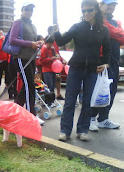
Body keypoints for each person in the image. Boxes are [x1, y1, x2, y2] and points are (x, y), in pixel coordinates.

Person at [54, 0, 110, 141]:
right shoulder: (77, 27)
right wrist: (56, 32)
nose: (86, 13)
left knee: (87, 101)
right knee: (70, 101)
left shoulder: (103, 29)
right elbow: (61, 41)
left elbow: (108, 51)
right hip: (75, 68)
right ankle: (65, 131)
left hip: (92, 70)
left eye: (89, 10)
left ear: (96, 10)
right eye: (83, 11)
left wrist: (106, 64)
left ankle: (82, 130)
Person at [9, 2, 44, 125]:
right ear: (22, 10)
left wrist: (38, 42)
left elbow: (32, 41)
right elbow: (12, 40)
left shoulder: (33, 25)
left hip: (31, 58)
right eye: (27, 9)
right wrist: (30, 44)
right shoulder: (18, 23)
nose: (29, 12)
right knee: (29, 85)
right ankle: (31, 116)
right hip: (21, 58)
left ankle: (15, 110)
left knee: (28, 85)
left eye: (31, 10)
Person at [89, 0, 122, 131]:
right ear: (101, 6)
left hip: (114, 60)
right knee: (98, 89)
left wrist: (118, 30)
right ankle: (91, 118)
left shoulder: (115, 22)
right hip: (100, 59)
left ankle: (103, 119)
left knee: (111, 90)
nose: (111, 7)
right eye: (108, 4)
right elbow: (115, 33)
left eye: (113, 5)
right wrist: (118, 31)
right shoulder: (98, 20)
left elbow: (121, 37)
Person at [47, 26, 66, 100]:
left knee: (58, 79)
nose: (53, 32)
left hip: (57, 64)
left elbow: (58, 52)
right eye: (52, 31)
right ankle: (50, 96)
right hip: (49, 64)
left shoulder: (56, 41)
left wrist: (61, 60)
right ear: (49, 31)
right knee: (49, 82)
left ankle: (58, 94)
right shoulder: (47, 40)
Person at [0, 29, 10, 99]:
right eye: (0, 33)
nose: (2, 35)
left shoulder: (4, 40)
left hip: (6, 60)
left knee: (8, 77)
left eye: (2, 33)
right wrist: (0, 40)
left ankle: (10, 93)